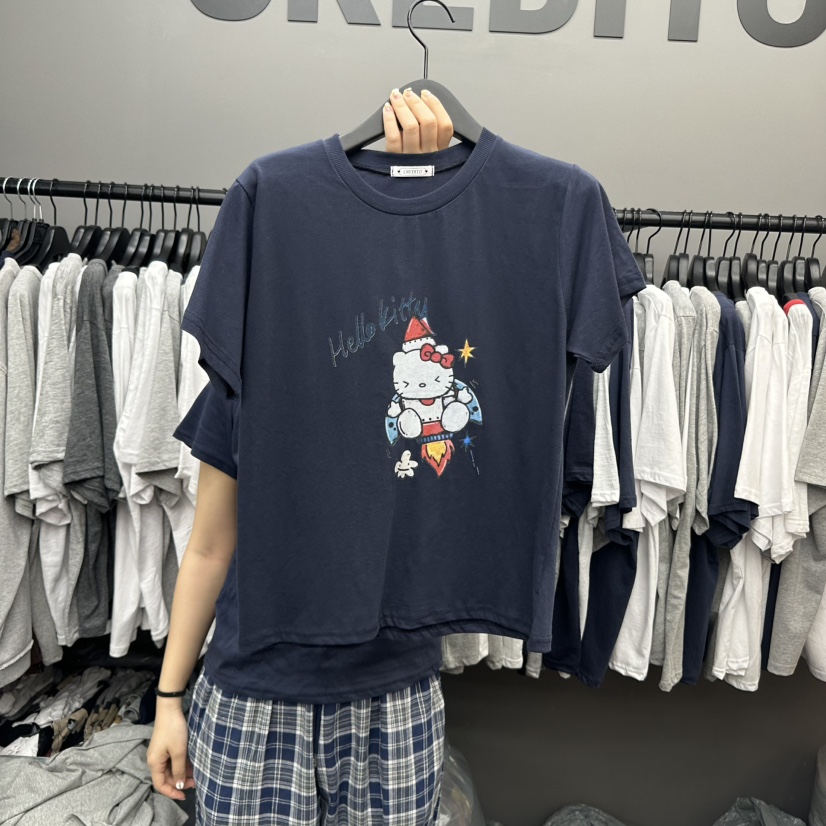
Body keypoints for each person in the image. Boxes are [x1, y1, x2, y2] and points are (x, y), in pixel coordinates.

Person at [147, 88, 455, 825]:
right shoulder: (253, 372)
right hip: (252, 697)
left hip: (395, 700)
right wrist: (167, 700)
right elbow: (209, 547)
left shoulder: (427, 390)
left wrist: (431, 188)